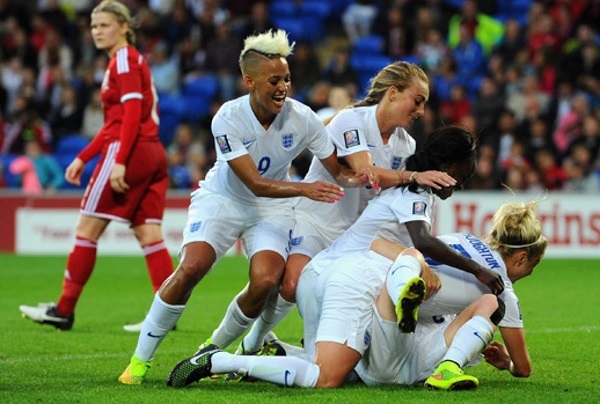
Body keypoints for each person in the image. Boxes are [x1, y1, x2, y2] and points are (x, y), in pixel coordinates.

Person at [118, 28, 374, 385]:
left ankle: (210, 349)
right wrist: (304, 188)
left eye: (287, 78)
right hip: (224, 200)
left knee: (267, 280)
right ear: (249, 80)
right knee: (192, 267)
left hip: (270, 210)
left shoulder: (304, 118)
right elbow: (253, 182)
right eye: (274, 80)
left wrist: (369, 176)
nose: (283, 86)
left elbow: (340, 172)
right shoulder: (227, 117)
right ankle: (139, 362)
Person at [166, 125, 503, 387]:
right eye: (462, 175)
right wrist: (477, 270)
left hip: (322, 274)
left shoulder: (405, 189)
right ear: (446, 165)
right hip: (351, 279)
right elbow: (422, 241)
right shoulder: (416, 192)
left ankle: (279, 350)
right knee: (325, 377)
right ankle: (220, 361)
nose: (460, 184)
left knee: (341, 368)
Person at [166, 199, 545, 390]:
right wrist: (507, 365)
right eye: (533, 267)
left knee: (330, 365)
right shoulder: (502, 287)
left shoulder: (456, 242)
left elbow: (380, 243)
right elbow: (524, 369)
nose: (530, 275)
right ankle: (448, 367)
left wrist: (414, 262)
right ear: (522, 257)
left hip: (359, 293)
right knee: (323, 377)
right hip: (399, 358)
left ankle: (281, 350)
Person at [238, 61, 457, 357]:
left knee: (350, 295)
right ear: (393, 93)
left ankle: (321, 352)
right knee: (291, 286)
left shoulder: (406, 144)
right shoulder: (350, 120)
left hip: (354, 235)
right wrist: (414, 176)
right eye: (417, 101)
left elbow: (392, 195)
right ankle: (253, 342)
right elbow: (367, 172)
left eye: (424, 104)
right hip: (315, 220)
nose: (420, 111)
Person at [19, 0, 174, 332]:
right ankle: (165, 316)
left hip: (129, 150)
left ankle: (63, 309)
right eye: (93, 26)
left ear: (124, 27)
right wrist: (83, 157)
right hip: (152, 151)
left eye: (104, 25)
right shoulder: (132, 61)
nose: (97, 32)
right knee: (149, 233)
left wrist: (118, 162)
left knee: (86, 229)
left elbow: (130, 116)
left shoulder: (122, 60)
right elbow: (116, 121)